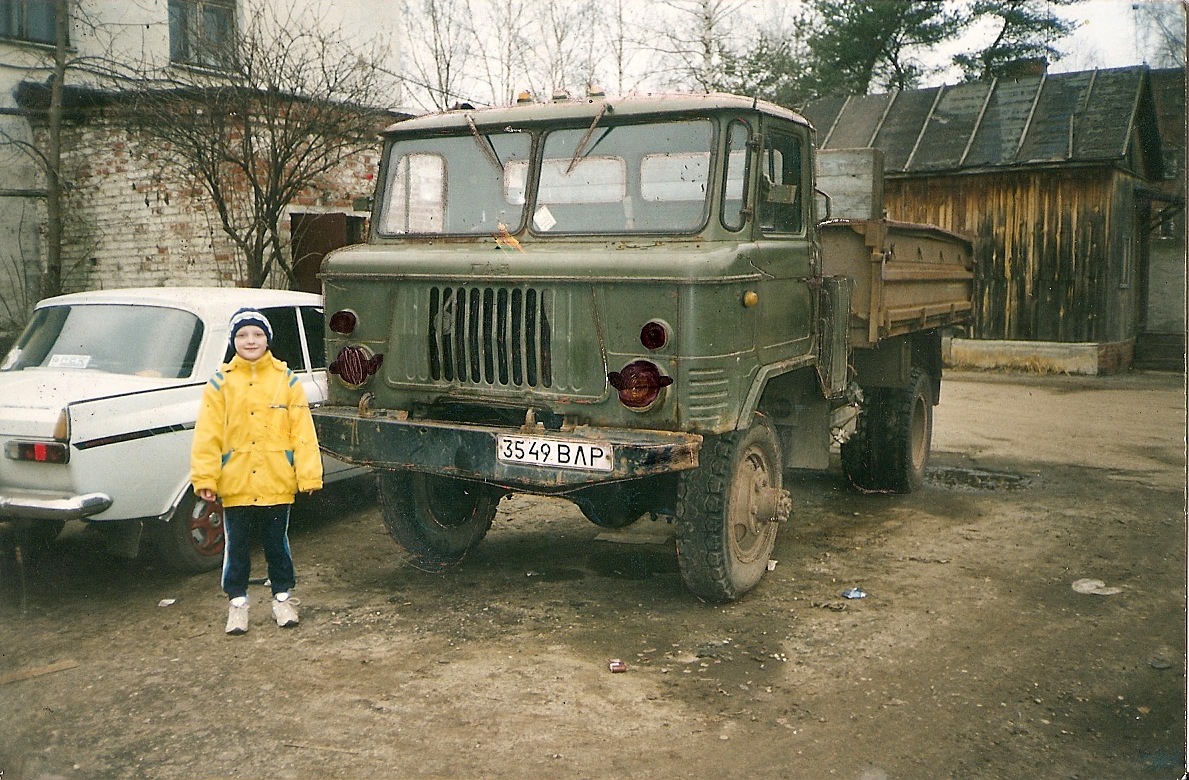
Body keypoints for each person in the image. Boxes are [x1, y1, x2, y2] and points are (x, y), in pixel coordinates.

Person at [190, 307, 323, 635]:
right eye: (243, 335)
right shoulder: (220, 383)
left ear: (268, 339)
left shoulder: (285, 380)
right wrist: (206, 477)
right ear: (233, 340)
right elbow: (208, 434)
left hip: (276, 480)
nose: (251, 341)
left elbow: (302, 431)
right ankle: (237, 604)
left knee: (277, 543)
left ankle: (282, 598)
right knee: (236, 546)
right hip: (235, 482)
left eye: (258, 334)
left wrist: (307, 474)